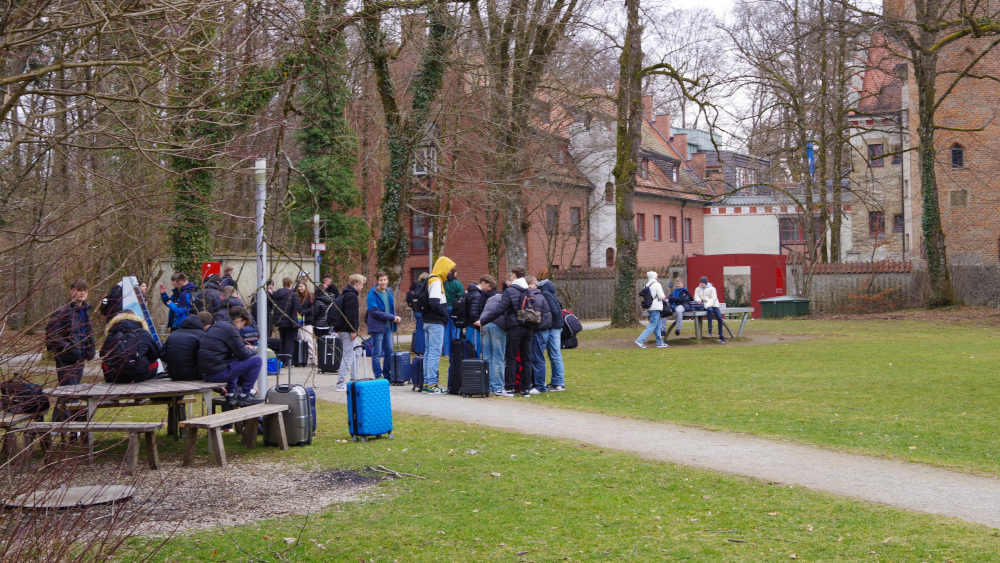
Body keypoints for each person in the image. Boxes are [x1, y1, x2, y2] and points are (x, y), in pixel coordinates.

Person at [476, 267, 538, 397]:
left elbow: (500, 309)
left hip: (515, 327)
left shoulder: (510, 291)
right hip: (528, 327)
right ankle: (526, 389)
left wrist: (483, 320)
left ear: (514, 275)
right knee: (526, 358)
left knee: (511, 358)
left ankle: (510, 387)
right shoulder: (528, 290)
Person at [45, 280, 96, 421]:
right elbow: (52, 336)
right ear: (72, 291)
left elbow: (88, 332)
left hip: (80, 357)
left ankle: (61, 424)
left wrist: (90, 349)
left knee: (72, 391)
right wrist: (69, 348)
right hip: (66, 358)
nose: (82, 293)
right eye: (79, 290)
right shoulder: (62, 312)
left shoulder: (85, 311)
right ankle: (63, 425)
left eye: (84, 290)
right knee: (68, 391)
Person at [198, 308, 263, 406]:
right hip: (217, 374)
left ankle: (231, 394)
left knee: (233, 360)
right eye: (243, 324)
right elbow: (243, 354)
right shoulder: (231, 329)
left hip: (207, 373)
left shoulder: (218, 326)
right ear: (240, 320)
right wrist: (253, 350)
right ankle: (245, 395)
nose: (241, 328)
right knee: (257, 360)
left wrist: (243, 349)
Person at [421, 257, 455, 394]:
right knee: (434, 353)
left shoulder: (430, 279)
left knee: (428, 352)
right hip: (435, 322)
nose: (450, 273)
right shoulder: (436, 281)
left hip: (427, 321)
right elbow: (434, 302)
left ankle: (426, 382)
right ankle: (431, 384)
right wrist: (445, 315)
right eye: (449, 269)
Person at [99, 311, 162, 384]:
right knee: (154, 362)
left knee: (105, 363)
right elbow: (155, 353)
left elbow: (102, 354)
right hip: (140, 374)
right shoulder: (143, 332)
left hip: (116, 376)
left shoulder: (112, 334)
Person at [474, 277, 509, 397]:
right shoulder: (505, 297)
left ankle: (486, 385)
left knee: (487, 356)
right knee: (498, 357)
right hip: (497, 326)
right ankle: (498, 387)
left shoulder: (491, 298)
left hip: (485, 324)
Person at [330, 274, 364, 391]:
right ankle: (340, 383)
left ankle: (354, 378)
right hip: (347, 330)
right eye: (362, 284)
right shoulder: (351, 296)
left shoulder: (345, 294)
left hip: (343, 329)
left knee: (358, 350)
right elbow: (351, 315)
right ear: (357, 283)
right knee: (348, 355)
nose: (362, 287)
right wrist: (353, 330)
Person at [533, 278, 567, 392]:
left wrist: (547, 324)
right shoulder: (552, 295)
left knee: (553, 354)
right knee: (555, 354)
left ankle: (557, 383)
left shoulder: (545, 295)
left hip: (552, 328)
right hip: (556, 327)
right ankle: (558, 382)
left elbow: (553, 312)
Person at [366, 272, 401, 380]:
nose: (383, 282)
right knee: (377, 352)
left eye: (385, 280)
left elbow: (391, 308)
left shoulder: (389, 291)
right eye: (381, 280)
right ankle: (378, 375)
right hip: (377, 327)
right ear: (377, 281)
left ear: (387, 280)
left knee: (389, 351)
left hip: (388, 326)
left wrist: (395, 317)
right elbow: (374, 311)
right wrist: (392, 317)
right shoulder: (372, 293)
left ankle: (387, 375)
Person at [162, 312, 209, 380]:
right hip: (194, 374)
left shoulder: (173, 334)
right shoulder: (202, 335)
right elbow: (206, 356)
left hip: (173, 374)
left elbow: (162, 354)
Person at [635, 271, 668, 349]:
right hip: (656, 307)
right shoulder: (657, 284)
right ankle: (640, 340)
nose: (657, 277)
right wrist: (666, 299)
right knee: (652, 325)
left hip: (650, 307)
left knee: (658, 326)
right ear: (655, 277)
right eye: (657, 276)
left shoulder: (646, 285)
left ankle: (660, 343)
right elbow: (661, 296)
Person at [463, 276, 491, 356]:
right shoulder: (477, 295)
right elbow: (473, 312)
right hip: (474, 326)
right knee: (474, 349)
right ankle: (475, 362)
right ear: (483, 283)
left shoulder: (472, 293)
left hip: (470, 325)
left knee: (471, 348)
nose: (488, 288)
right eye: (488, 285)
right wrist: (479, 322)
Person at [272, 277, 299, 359]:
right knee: (289, 341)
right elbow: (296, 308)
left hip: (280, 322)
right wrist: (296, 322)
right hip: (290, 322)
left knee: (282, 340)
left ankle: (281, 360)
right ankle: (287, 360)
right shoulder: (292, 294)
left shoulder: (277, 294)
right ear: (290, 284)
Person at [695, 276, 725, 343]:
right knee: (710, 311)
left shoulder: (712, 289)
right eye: (700, 283)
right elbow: (696, 296)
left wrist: (707, 305)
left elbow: (714, 298)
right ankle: (710, 329)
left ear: (706, 283)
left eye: (703, 283)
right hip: (705, 305)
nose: (701, 284)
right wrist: (699, 300)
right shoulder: (697, 289)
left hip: (714, 305)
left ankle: (721, 336)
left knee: (719, 318)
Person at [443, 269, 465, 357]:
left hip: (444, 308)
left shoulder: (443, 283)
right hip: (455, 308)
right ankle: (455, 351)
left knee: (446, 330)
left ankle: (446, 352)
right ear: (454, 273)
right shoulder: (457, 284)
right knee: (455, 329)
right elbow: (461, 295)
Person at [406, 272, 429, 355]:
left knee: (419, 329)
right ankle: (421, 349)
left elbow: (408, 295)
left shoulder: (415, 285)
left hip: (416, 310)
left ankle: (417, 348)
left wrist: (411, 305)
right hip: (423, 311)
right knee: (423, 330)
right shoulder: (426, 286)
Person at [294, 281, 317, 365]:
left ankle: (312, 358)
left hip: (308, 321)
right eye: (299, 286)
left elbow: (312, 309)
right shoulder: (296, 296)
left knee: (308, 339)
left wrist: (304, 311)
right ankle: (303, 358)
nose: (300, 288)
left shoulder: (310, 296)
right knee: (301, 339)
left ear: (305, 287)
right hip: (299, 321)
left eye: (301, 286)